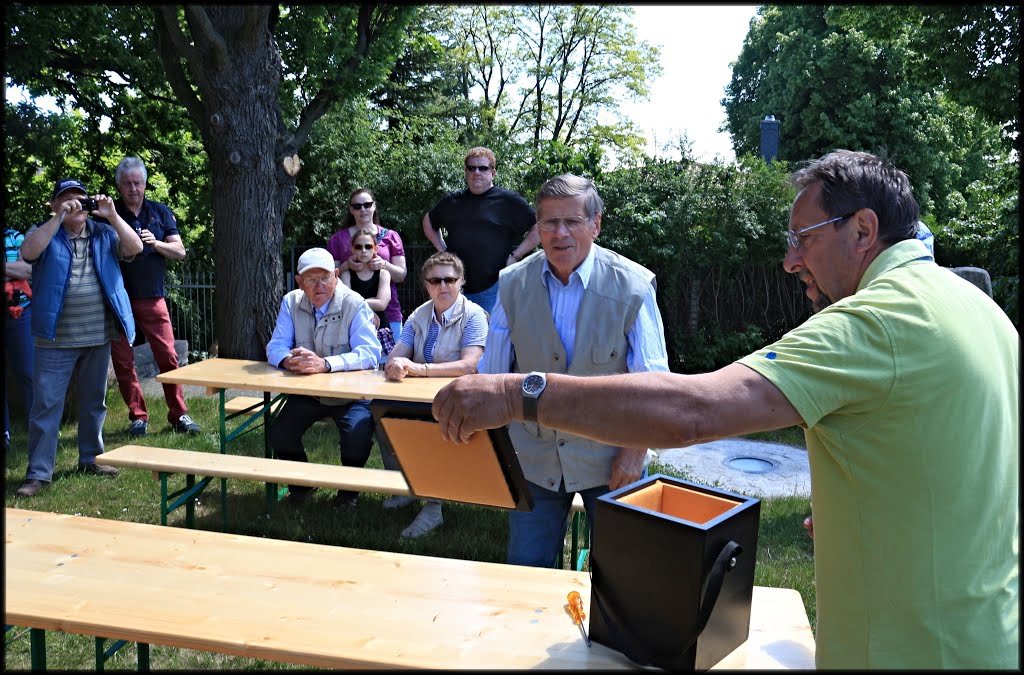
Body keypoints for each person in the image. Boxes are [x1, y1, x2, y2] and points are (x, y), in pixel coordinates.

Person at [432, 151, 1019, 669]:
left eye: (803, 237)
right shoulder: (977, 308)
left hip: (908, 650)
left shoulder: (876, 321)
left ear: (863, 230)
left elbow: (694, 411)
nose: (791, 261)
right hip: (986, 633)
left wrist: (515, 395)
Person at [471, 173, 669, 568]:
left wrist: (633, 456)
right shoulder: (511, 284)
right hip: (534, 457)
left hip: (613, 460)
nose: (560, 233)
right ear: (537, 228)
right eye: (549, 222)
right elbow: (491, 374)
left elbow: (654, 388)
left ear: (596, 225)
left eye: (573, 221)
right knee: (526, 574)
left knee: (624, 577)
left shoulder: (633, 286)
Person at [14, 178, 144, 498]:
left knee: (93, 403)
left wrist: (112, 215)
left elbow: (136, 248)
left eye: (80, 199)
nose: (75, 204)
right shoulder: (44, 233)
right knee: (46, 406)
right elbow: (27, 252)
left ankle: (91, 459)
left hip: (97, 335)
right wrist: (58, 218)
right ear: (54, 204)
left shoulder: (103, 233)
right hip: (54, 338)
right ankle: (39, 473)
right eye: (66, 199)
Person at [381, 251, 488, 538]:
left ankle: (433, 506)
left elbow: (470, 365)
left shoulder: (474, 315)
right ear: (426, 284)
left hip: (458, 398)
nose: (443, 286)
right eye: (435, 280)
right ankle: (406, 485)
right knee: (379, 412)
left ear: (461, 281)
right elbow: (398, 353)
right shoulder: (420, 313)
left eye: (450, 279)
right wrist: (394, 366)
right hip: (417, 394)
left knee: (432, 430)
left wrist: (419, 369)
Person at [266, 246, 382, 507]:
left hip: (352, 395)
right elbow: (275, 345)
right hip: (311, 393)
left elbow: (370, 353)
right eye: (311, 279)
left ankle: (348, 493)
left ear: (337, 275)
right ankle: (302, 485)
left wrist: (326, 364)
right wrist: (287, 360)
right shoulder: (291, 301)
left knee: (357, 435)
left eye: (325, 277)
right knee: (279, 433)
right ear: (299, 282)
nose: (319, 285)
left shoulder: (354, 303)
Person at [106, 156, 201, 437]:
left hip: (152, 297)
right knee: (123, 360)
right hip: (117, 299)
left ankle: (179, 414)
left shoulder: (160, 212)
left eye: (137, 182)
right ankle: (138, 416)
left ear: (145, 184)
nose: (132, 188)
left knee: (168, 356)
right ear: (119, 185)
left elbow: (180, 252)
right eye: (126, 183)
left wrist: (155, 243)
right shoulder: (109, 213)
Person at [421, 147, 540, 314]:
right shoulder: (453, 201)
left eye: (483, 168)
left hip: (493, 290)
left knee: (490, 339)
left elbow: (539, 227)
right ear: (466, 171)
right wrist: (443, 251)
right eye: (471, 168)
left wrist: (516, 256)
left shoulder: (508, 201)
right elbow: (428, 222)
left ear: (493, 172)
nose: (476, 172)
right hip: (455, 289)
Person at [327, 188, 406, 337]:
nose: (363, 209)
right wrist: (346, 266)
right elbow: (328, 277)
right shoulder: (337, 239)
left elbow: (401, 275)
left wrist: (384, 265)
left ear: (374, 206)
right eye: (357, 206)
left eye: (367, 204)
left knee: (391, 360)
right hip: (348, 315)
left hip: (389, 314)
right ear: (351, 209)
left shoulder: (391, 236)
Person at [340, 227, 395, 356]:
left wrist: (356, 302)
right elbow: (346, 303)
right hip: (353, 328)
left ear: (376, 248)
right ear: (353, 249)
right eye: (359, 247)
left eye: (368, 246)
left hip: (380, 329)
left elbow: (382, 304)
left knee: (381, 372)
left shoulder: (383, 273)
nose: (363, 251)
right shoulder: (347, 274)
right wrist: (370, 302)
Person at [5, 227, 34, 450]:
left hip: (20, 314)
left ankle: (37, 427)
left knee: (28, 373)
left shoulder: (16, 237)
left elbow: (27, 270)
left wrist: (14, 270)